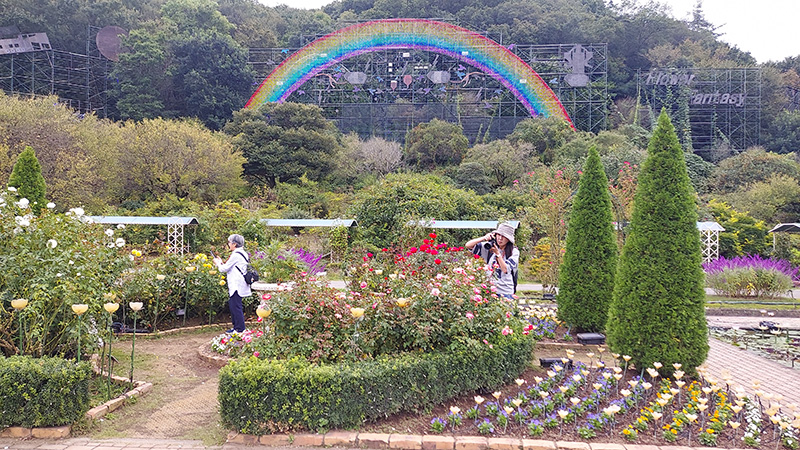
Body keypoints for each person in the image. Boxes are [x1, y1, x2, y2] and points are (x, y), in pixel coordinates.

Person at [465, 222, 520, 298]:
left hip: (506, 292)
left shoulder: (514, 252)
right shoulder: (489, 248)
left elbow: (505, 269)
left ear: (509, 239)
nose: (500, 238)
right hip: (490, 291)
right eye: (499, 235)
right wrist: (484, 238)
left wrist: (497, 254)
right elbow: (468, 245)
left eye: (503, 236)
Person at [213, 234, 251, 333]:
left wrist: (218, 263)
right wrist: (221, 262)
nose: (228, 244)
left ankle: (240, 329)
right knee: (234, 305)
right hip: (239, 284)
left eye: (229, 242)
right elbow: (229, 266)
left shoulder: (236, 255)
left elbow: (224, 269)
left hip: (237, 285)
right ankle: (236, 327)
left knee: (236, 306)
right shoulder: (242, 253)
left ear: (234, 244)